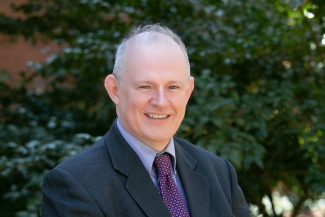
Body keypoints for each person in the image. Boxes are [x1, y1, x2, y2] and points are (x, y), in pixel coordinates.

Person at [42, 24, 250, 217]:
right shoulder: (74, 184)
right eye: (145, 86)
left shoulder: (220, 172)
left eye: (173, 87)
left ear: (188, 91)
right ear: (114, 89)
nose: (160, 102)